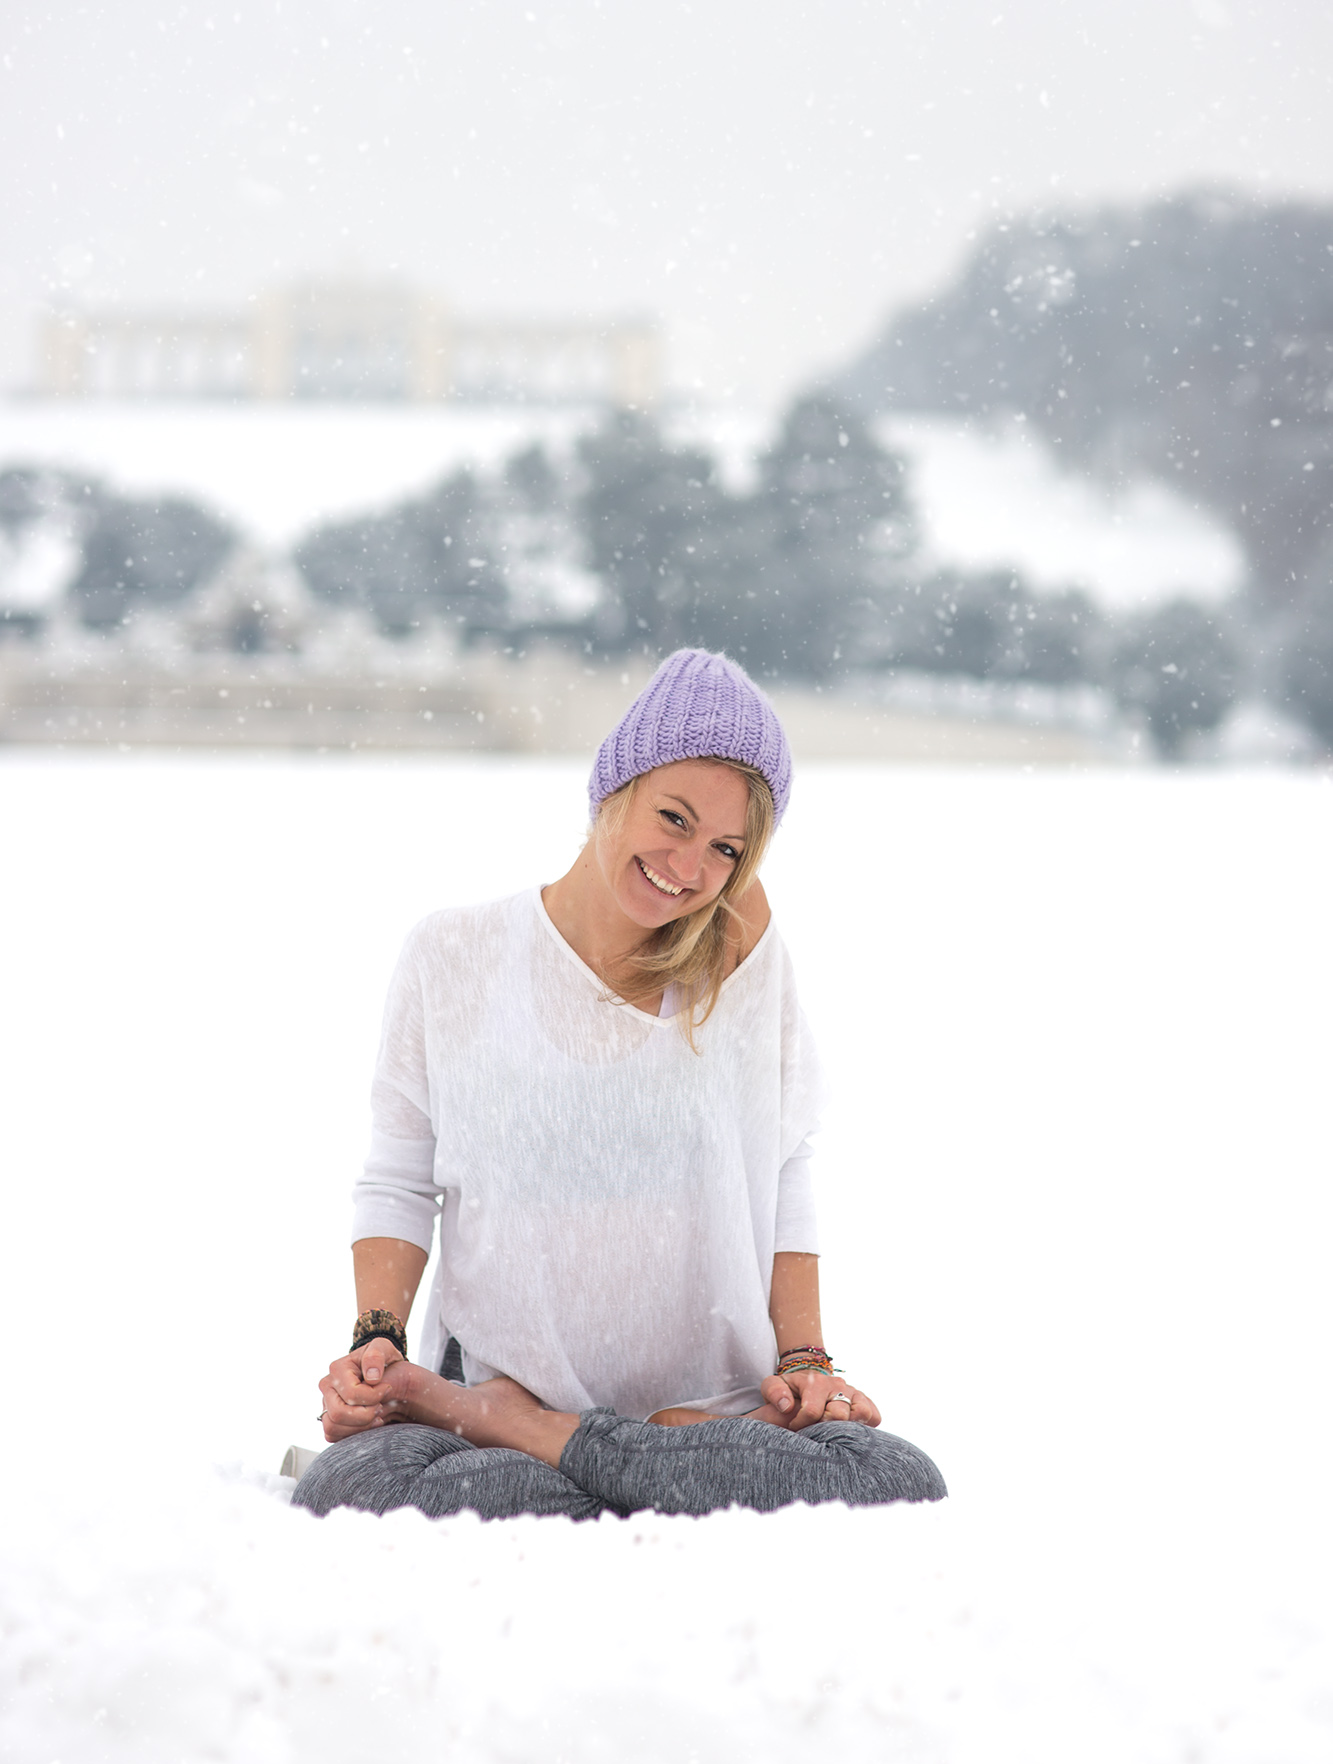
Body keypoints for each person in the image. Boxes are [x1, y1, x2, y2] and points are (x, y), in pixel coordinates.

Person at [294, 648, 945, 1522]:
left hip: (709, 1408)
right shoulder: (454, 953)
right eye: (672, 818)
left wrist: (805, 1364)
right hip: (499, 1388)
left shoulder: (741, 954)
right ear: (614, 788)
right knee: (363, 1483)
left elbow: (785, 1162)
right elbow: (399, 1179)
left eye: (725, 847)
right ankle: (612, 1458)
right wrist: (377, 1343)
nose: (688, 866)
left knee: (895, 1479)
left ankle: (538, 1438)